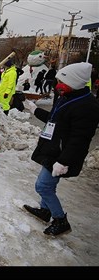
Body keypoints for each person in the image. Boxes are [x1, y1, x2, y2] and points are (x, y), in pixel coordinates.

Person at [22, 62, 99, 236]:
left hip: (63, 155)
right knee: (47, 184)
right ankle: (45, 211)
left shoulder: (87, 106)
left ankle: (60, 220)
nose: (58, 86)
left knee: (43, 186)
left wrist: (64, 161)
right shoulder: (68, 96)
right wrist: (35, 110)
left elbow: (79, 139)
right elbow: (54, 119)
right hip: (53, 149)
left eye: (62, 82)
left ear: (75, 81)